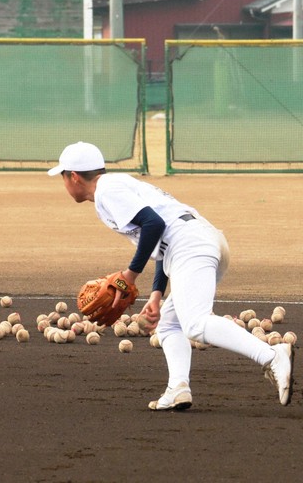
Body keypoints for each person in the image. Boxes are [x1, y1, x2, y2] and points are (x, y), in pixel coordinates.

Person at [48, 141, 293, 410]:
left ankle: (272, 356)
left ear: (73, 176)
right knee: (168, 324)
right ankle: (178, 388)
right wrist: (156, 296)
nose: (63, 183)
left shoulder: (107, 190)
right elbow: (158, 240)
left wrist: (129, 275)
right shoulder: (116, 186)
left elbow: (155, 224)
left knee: (196, 324)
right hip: (196, 242)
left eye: (62, 176)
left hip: (191, 245)